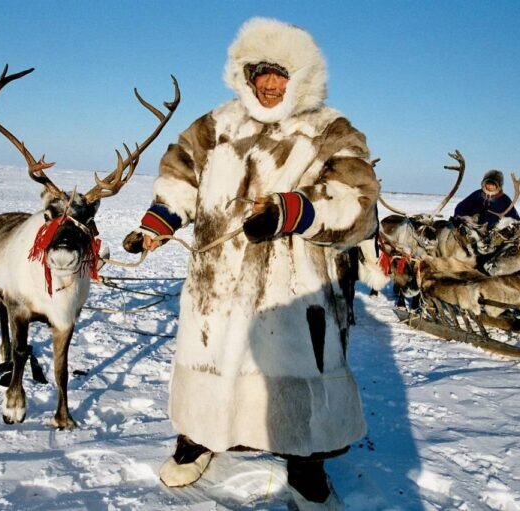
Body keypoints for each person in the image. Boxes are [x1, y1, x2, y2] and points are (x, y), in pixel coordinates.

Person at [122, 17, 379, 509]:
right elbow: (180, 175)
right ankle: (197, 438)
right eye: (258, 71)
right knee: (210, 361)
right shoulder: (215, 125)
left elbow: (358, 203)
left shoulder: (331, 130)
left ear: (301, 77)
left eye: (279, 73)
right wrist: (159, 221)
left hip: (293, 288)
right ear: (243, 74)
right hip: (215, 285)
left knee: (295, 375)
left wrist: (292, 212)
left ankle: (306, 466)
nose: (267, 84)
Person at [453, 169, 520, 227]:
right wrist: (461, 217)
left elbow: (514, 216)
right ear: (484, 183)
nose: (490, 187)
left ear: (498, 186)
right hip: (475, 228)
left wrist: (516, 224)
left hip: (495, 231)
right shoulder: (477, 195)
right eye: (488, 184)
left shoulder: (504, 199)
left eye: (493, 184)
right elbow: (461, 207)